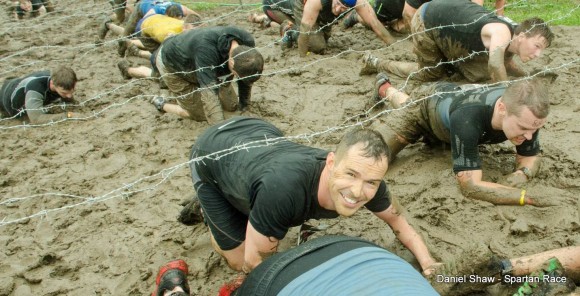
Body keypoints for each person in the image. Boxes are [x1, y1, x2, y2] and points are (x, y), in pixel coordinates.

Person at [183, 116, 440, 276]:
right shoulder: (284, 190)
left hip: (260, 136)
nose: (357, 192)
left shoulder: (369, 181)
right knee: (239, 261)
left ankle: (250, 201)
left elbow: (399, 222)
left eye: (371, 181)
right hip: (212, 155)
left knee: (261, 202)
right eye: (350, 174)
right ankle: (210, 206)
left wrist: (428, 262)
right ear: (331, 162)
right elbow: (255, 265)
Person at [371, 74, 558, 206]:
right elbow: (470, 186)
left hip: (451, 99)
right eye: (524, 129)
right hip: (424, 109)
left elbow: (530, 157)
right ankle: (385, 89)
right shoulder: (468, 118)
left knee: (407, 103)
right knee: (375, 155)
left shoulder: (527, 117)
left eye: (535, 129)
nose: (529, 136)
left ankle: (389, 90)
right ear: (502, 108)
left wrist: (522, 174)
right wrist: (524, 197)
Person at [360, 0, 553, 83]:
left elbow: (506, 63)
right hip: (427, 20)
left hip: (448, 23)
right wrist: (505, 95)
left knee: (471, 72)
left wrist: (527, 77)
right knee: (430, 74)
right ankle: (375, 62)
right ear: (522, 36)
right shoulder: (502, 32)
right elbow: (495, 64)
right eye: (537, 46)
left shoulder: (512, 37)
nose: (538, 54)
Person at [150, 27, 264, 122]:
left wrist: (244, 105)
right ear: (232, 62)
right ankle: (162, 103)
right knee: (202, 115)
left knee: (232, 106)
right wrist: (221, 128)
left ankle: (185, 97)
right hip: (175, 65)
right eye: (237, 75)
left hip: (210, 66)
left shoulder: (247, 43)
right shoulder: (206, 50)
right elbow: (209, 94)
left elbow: (246, 77)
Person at [288, 0, 395, 56]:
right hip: (304, 6)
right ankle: (290, 31)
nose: (339, 9)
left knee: (323, 39)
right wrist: (303, 57)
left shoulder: (359, 2)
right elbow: (305, 25)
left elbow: (374, 23)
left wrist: (394, 45)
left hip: (325, 12)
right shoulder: (316, 1)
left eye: (344, 8)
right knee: (317, 46)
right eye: (338, 4)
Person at [117, 14, 203, 80]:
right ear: (184, 27)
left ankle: (134, 50)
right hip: (144, 28)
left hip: (156, 20)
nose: (194, 35)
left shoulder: (187, 28)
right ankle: (128, 70)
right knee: (160, 74)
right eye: (191, 31)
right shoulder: (169, 34)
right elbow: (162, 54)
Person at [0, 67, 79, 124]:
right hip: (5, 98)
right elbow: (36, 119)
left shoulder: (58, 79)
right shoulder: (35, 89)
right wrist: (68, 115)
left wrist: (70, 101)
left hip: (18, 83)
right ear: (52, 83)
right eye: (64, 93)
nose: (69, 96)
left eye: (72, 92)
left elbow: (68, 95)